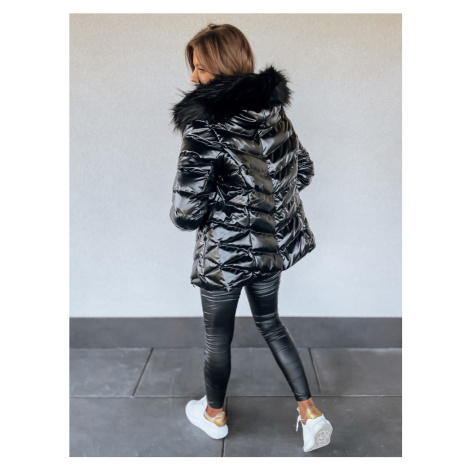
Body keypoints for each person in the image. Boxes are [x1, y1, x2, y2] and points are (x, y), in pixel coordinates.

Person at [169, 23, 333, 453]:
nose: (193, 77)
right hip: (270, 248)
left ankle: (214, 415)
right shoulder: (273, 112)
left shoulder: (204, 125)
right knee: (271, 323)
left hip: (224, 255)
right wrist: (262, 204)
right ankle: (310, 413)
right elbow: (302, 171)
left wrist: (229, 209)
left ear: (223, 66)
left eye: (201, 68)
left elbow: (186, 213)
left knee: (217, 338)